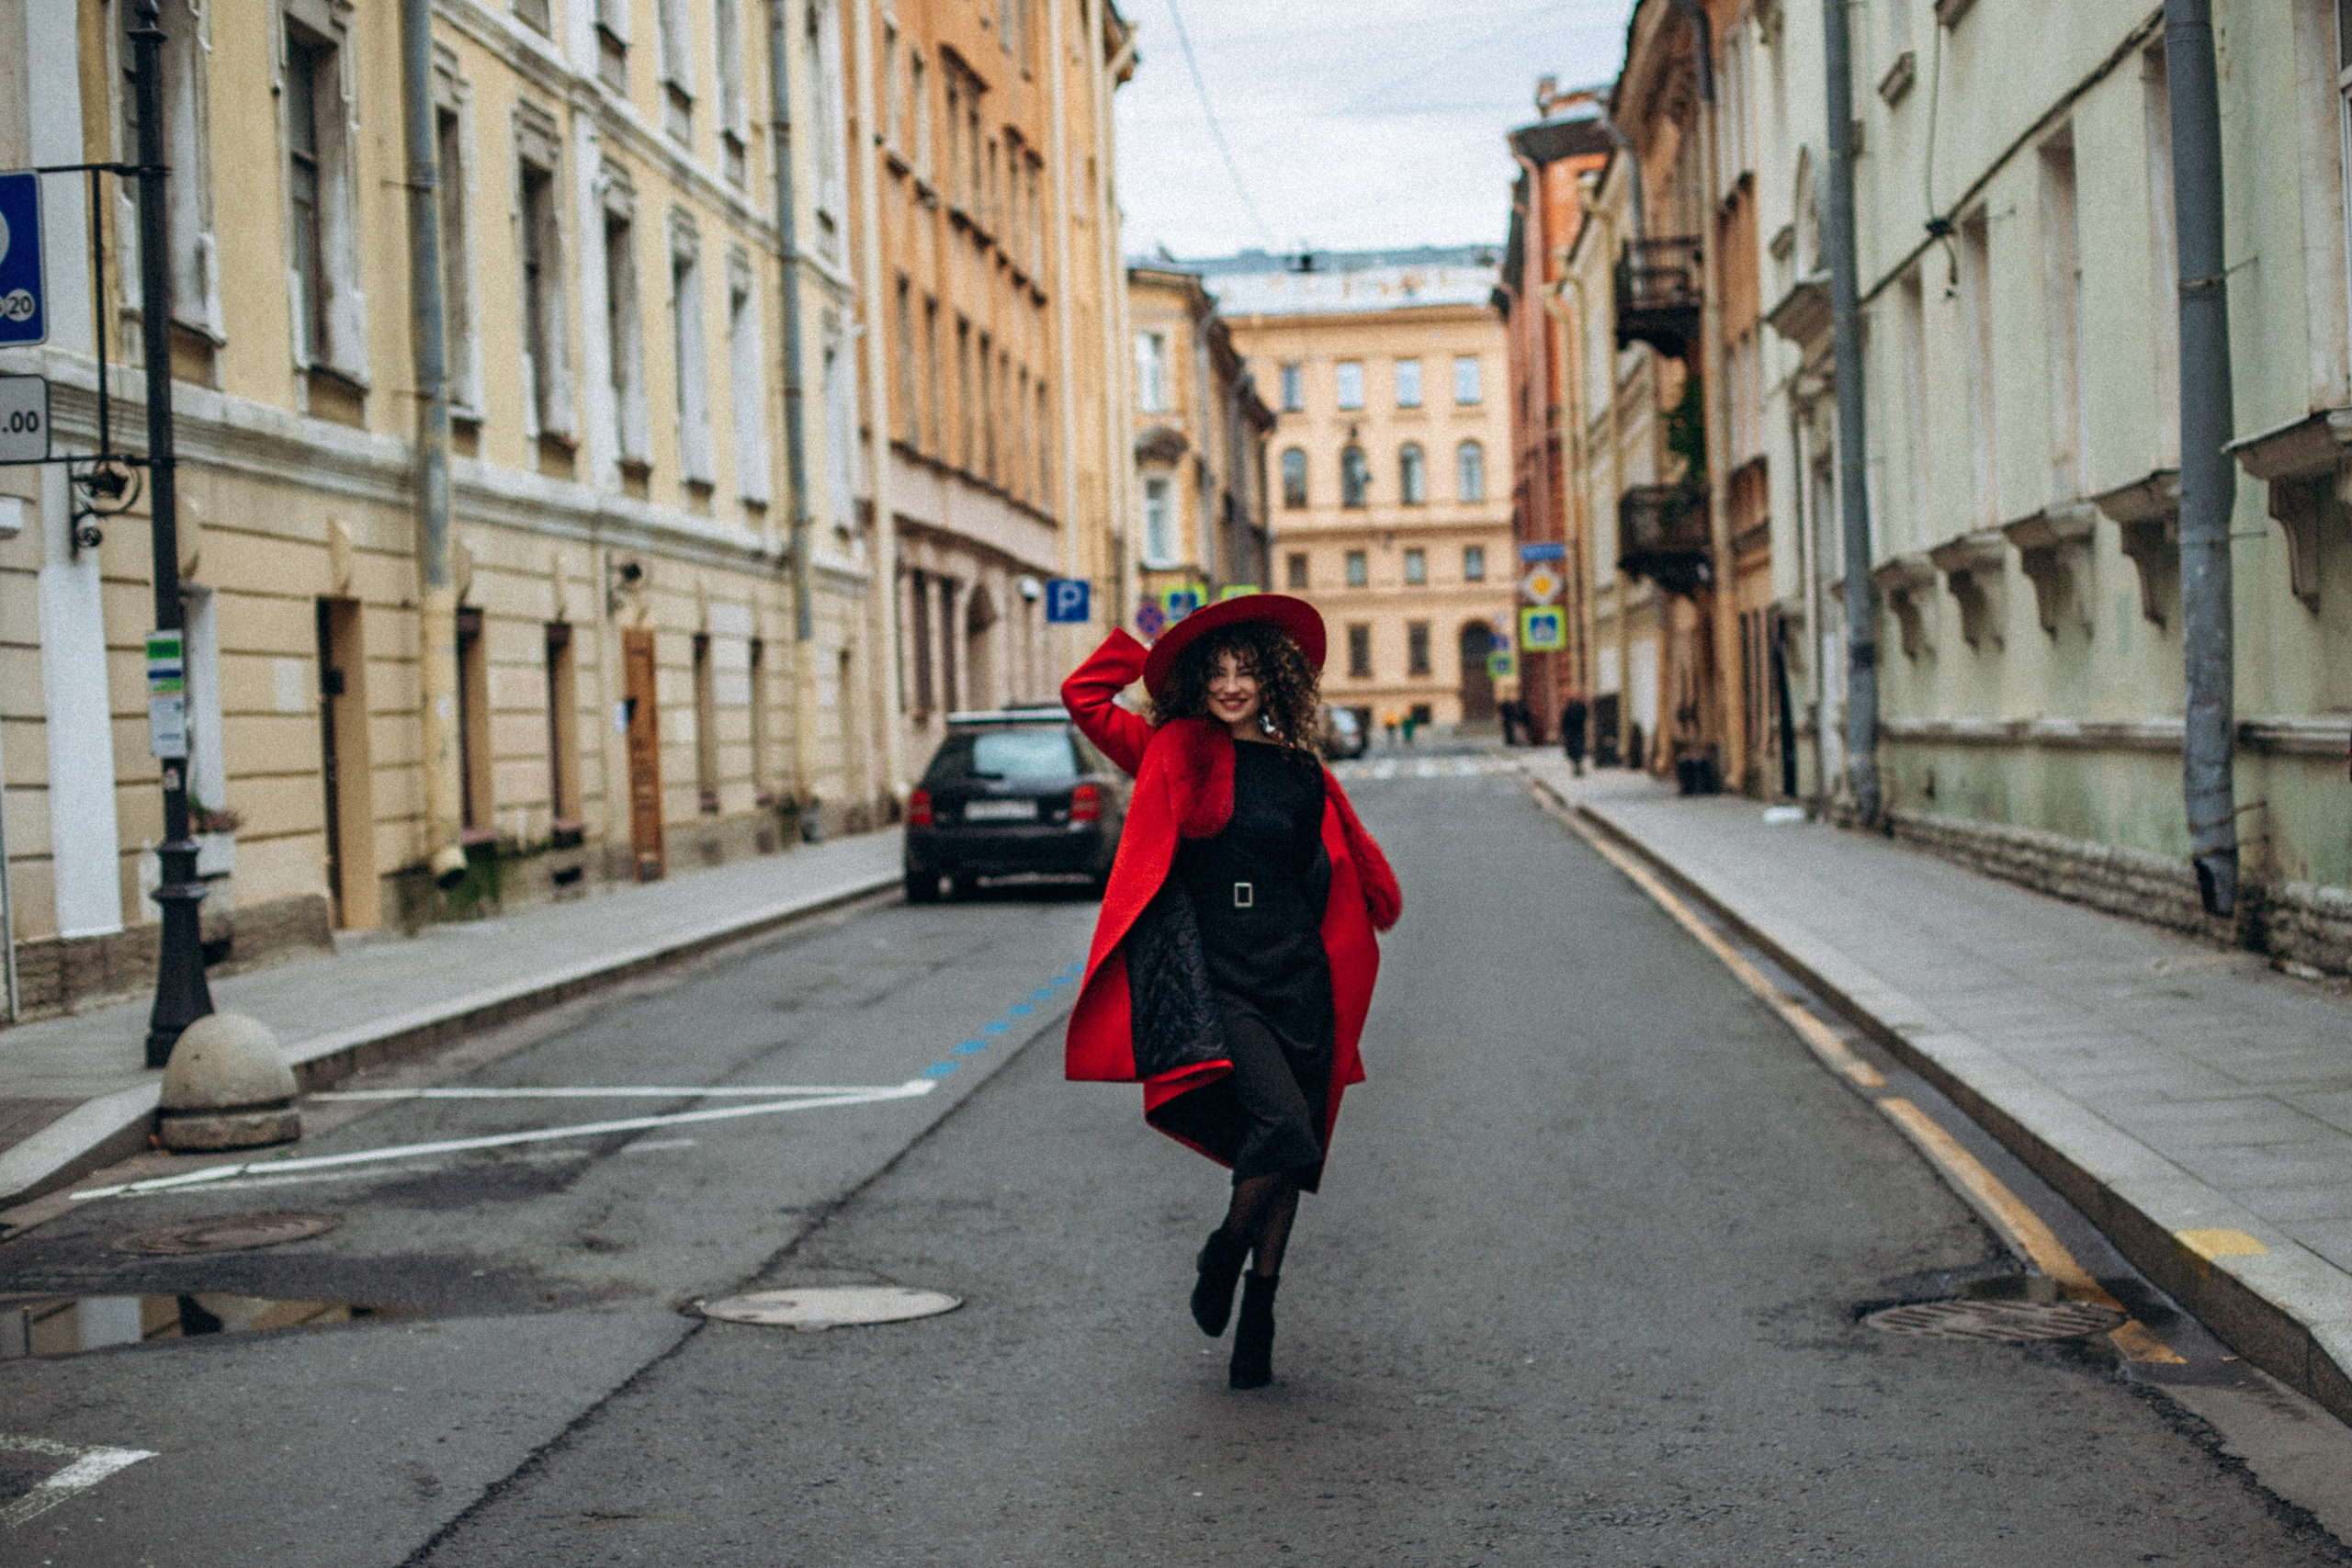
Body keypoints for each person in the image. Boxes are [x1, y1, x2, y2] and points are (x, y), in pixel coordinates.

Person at [1061, 595, 1403, 1390]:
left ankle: (1260, 1313)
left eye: (1246, 667)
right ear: (1195, 682)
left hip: (1298, 978)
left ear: (1272, 676)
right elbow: (1085, 696)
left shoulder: (1300, 770)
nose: (1230, 683)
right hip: (1221, 979)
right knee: (1281, 1125)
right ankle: (1221, 1253)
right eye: (1214, 670)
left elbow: (1339, 872)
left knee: (1293, 1151)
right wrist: (1152, 646)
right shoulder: (1174, 752)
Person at [1560, 693, 1589, 777]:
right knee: (1577, 751)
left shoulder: (1571, 708)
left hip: (1574, 733)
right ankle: (1577, 767)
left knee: (1575, 751)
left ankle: (1577, 768)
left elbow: (1564, 721)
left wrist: (1563, 733)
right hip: (1576, 732)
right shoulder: (1579, 707)